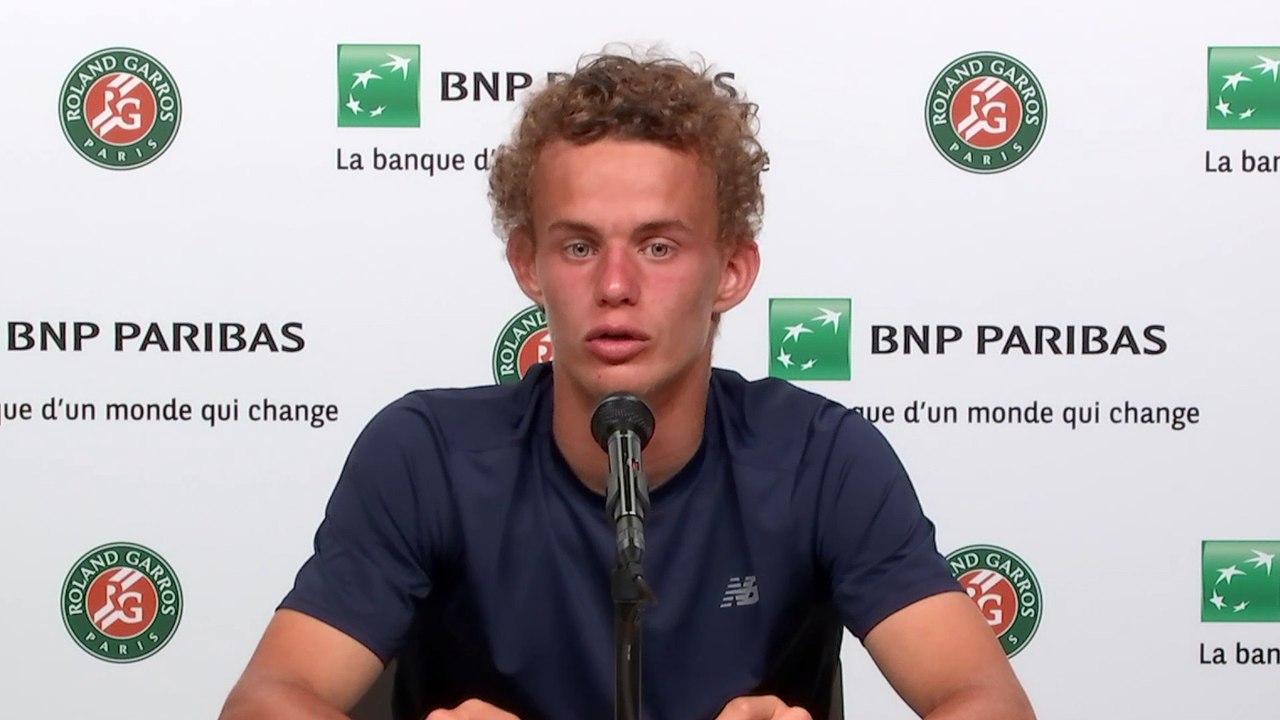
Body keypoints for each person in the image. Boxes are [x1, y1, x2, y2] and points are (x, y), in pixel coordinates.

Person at [220, 50, 1036, 720]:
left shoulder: (821, 457)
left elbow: (985, 700)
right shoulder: (424, 453)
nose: (615, 285)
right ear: (527, 265)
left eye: (658, 246)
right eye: (578, 247)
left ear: (732, 269)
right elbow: (267, 700)